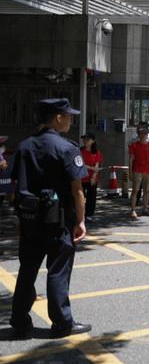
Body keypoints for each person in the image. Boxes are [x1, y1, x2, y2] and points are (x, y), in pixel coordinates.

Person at [7, 98, 91, 339]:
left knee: (27, 271)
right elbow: (77, 190)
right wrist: (81, 221)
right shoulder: (67, 148)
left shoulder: (24, 146)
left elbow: (14, 187)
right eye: (69, 116)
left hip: (30, 219)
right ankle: (62, 323)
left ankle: (19, 322)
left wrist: (20, 219)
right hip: (58, 221)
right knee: (58, 271)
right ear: (58, 117)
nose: (71, 120)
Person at [128, 127, 149, 219]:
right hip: (137, 170)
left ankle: (145, 209)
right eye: (141, 133)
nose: (143, 135)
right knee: (135, 190)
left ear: (147, 134)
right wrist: (130, 172)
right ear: (138, 135)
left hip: (148, 170)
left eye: (145, 133)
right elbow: (131, 159)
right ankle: (133, 210)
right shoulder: (134, 145)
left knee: (146, 191)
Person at [80, 133, 103, 221]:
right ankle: (80, 214)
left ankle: (89, 214)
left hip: (92, 178)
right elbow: (80, 164)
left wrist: (93, 177)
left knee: (91, 197)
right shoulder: (80, 151)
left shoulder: (96, 152)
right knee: (80, 197)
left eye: (87, 139)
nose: (85, 141)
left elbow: (97, 165)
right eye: (84, 139)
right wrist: (91, 168)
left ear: (93, 141)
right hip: (81, 177)